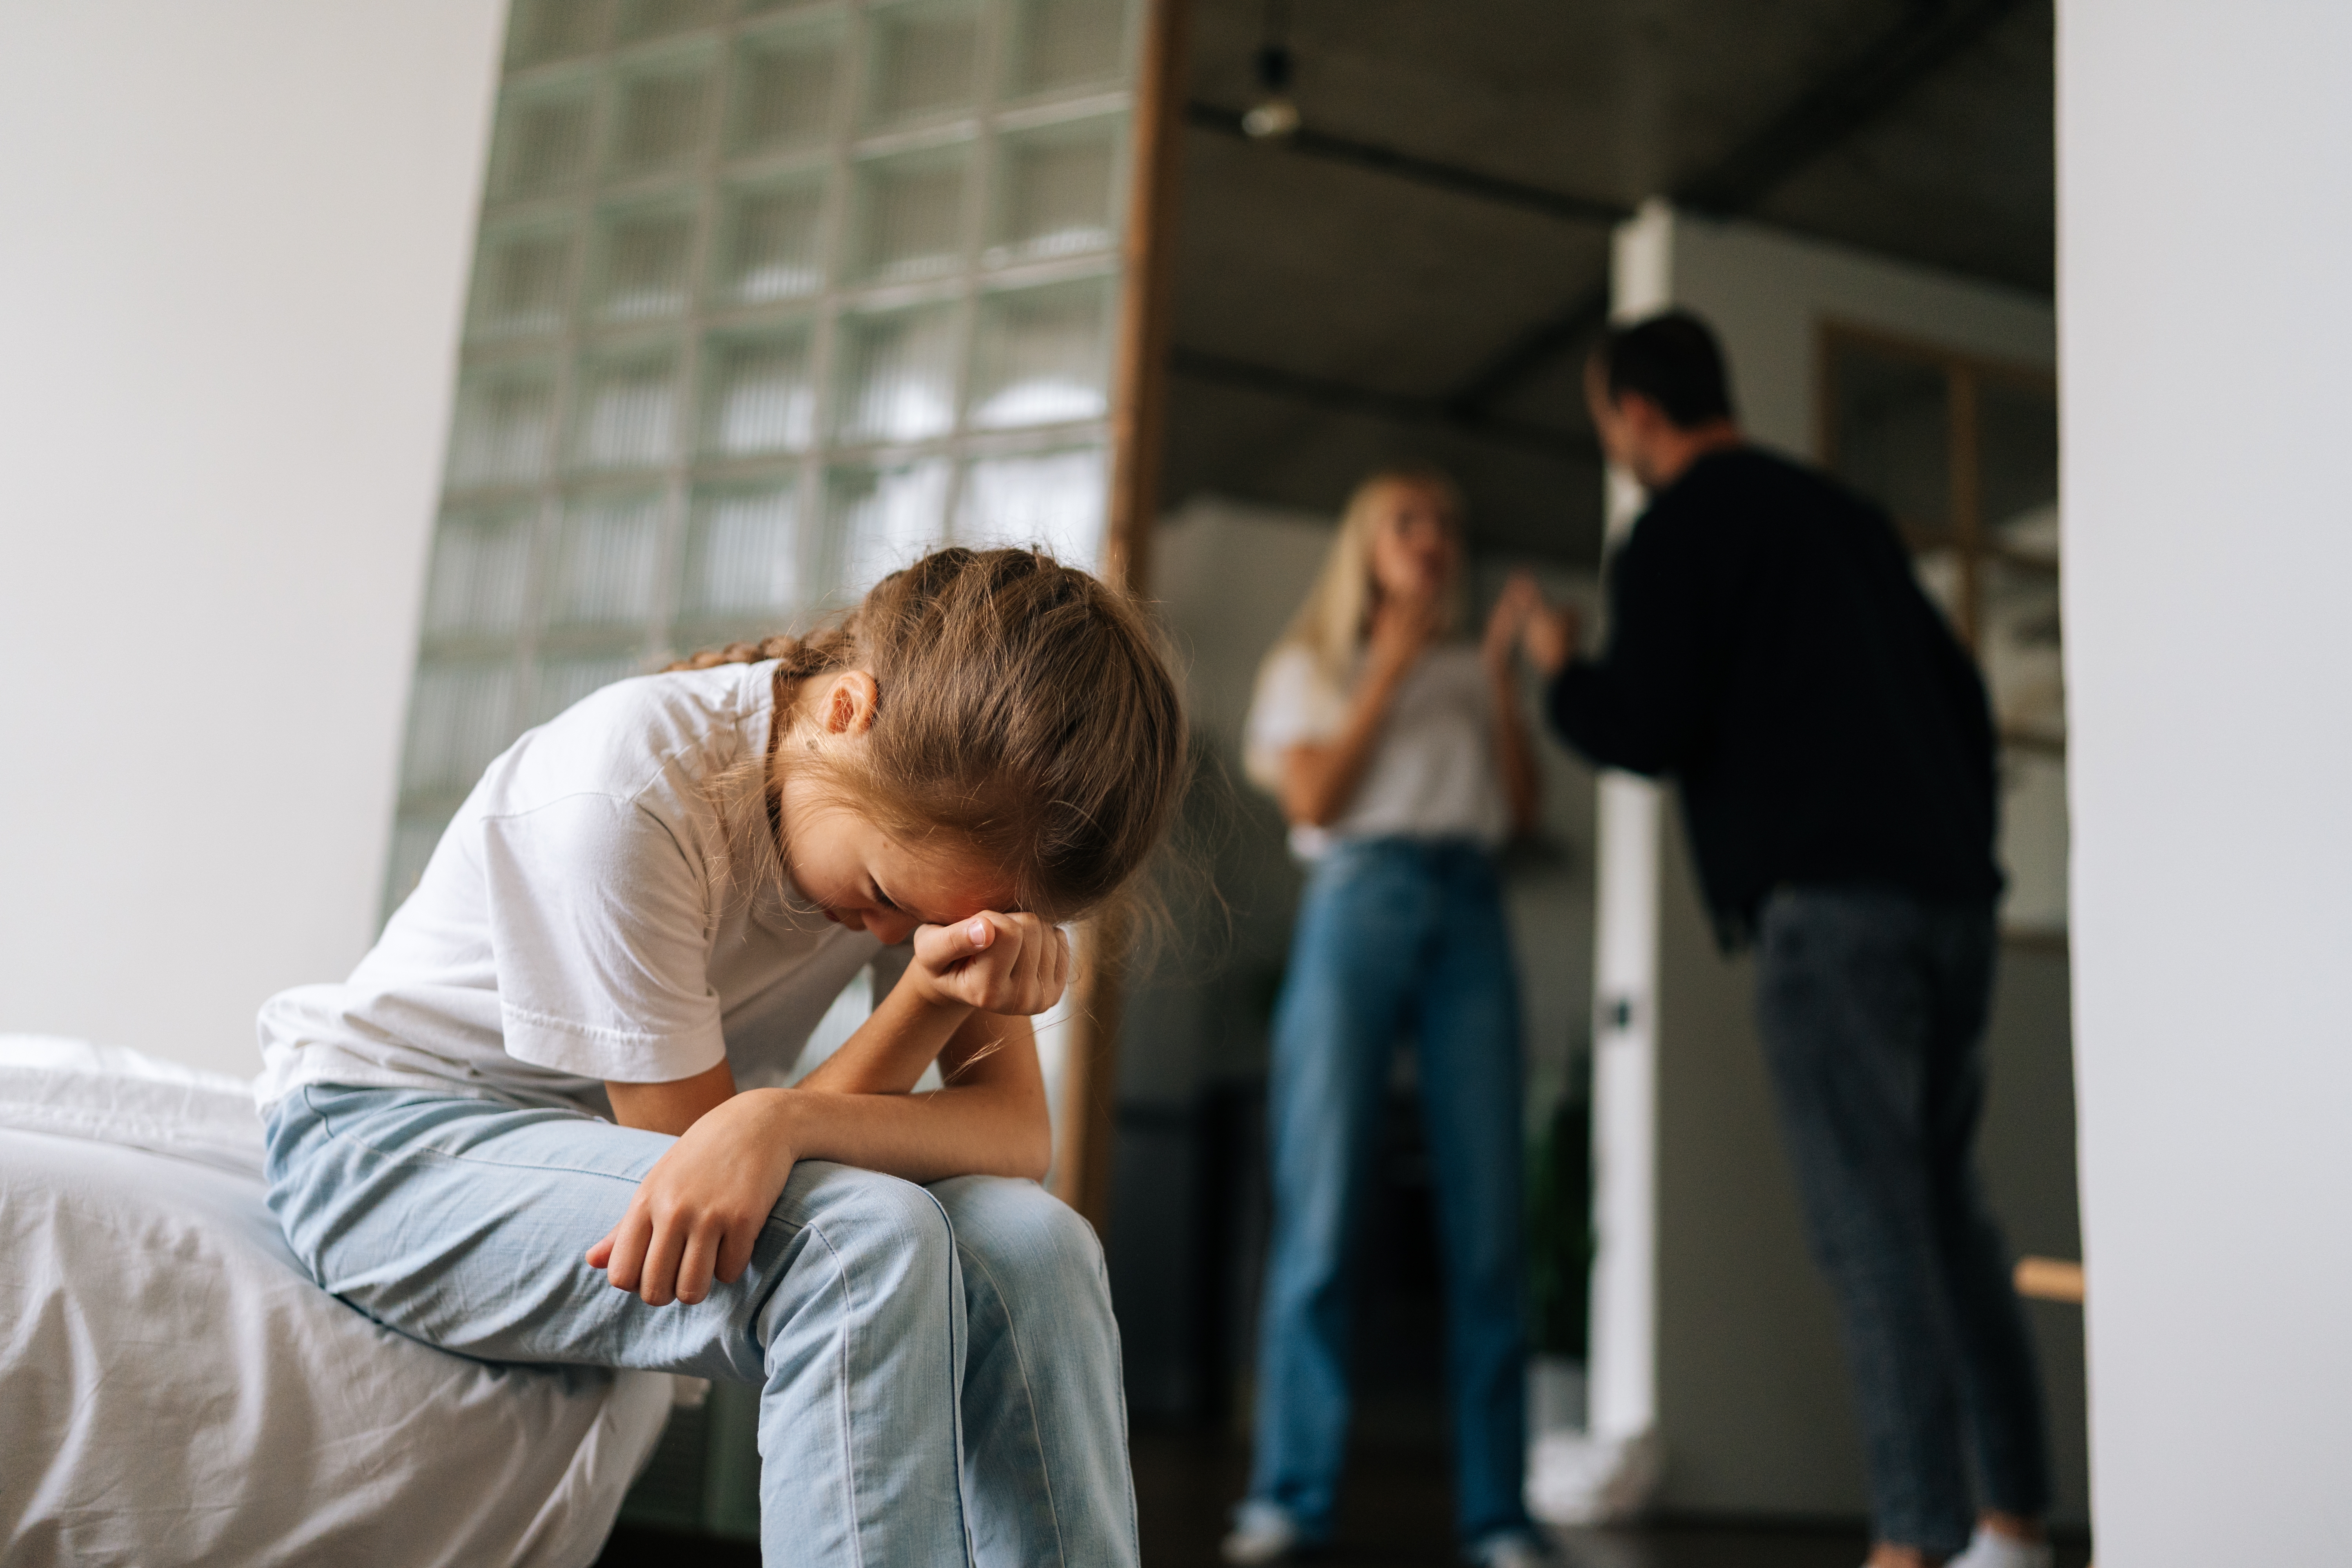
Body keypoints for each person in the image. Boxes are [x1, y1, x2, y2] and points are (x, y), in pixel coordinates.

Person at [256, 548, 1187, 1566]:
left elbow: (1013, 1135)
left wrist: (778, 1113)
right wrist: (910, 1008)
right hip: (382, 1143)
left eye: (926, 927)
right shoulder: (632, 790)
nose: (887, 936)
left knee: (1036, 1247)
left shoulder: (940, 829)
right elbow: (693, 1168)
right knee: (858, 1244)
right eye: (883, 893)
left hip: (623, 1149)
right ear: (845, 713)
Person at [1513, 310, 2053, 1568]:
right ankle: (2014, 1526)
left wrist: (1559, 670)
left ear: (1638, 418)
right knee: (1948, 1218)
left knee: (1872, 1227)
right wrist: (1963, 857)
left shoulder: (1673, 533)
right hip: (1953, 903)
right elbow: (1961, 702)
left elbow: (1645, 723)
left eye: (1610, 428)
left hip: (1832, 918)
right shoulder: (1844, 519)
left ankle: (1915, 1543)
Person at [1224, 468, 1548, 1568]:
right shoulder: (1307, 665)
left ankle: (1499, 1514)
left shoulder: (1472, 669)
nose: (1434, 539)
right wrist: (1392, 671)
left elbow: (1523, 809)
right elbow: (1313, 803)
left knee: (1491, 1220)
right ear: (1365, 543)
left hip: (1468, 902)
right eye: (1409, 522)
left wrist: (1498, 680)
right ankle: (1290, 1497)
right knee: (1320, 1207)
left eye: (1449, 523)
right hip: (1357, 896)